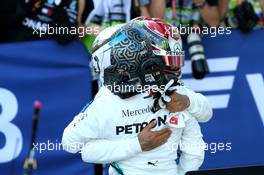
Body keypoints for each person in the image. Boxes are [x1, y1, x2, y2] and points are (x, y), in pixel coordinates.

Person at [62, 18, 212, 175]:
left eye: (175, 61)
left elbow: (205, 115)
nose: (175, 69)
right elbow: (71, 144)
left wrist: (188, 101)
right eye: (169, 61)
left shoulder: (175, 93)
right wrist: (137, 144)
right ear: (140, 58)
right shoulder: (107, 102)